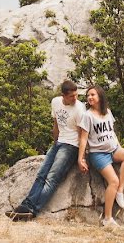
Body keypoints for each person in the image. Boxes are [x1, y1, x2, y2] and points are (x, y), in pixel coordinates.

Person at [6, 80, 86, 221]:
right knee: (41, 174)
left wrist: (81, 157)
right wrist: (54, 144)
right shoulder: (55, 102)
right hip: (59, 142)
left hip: (71, 146)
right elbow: (55, 124)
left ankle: (32, 210)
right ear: (63, 95)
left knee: (52, 178)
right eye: (72, 96)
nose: (75, 98)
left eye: (76, 95)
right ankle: (25, 208)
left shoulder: (80, 108)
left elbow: (82, 135)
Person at [77, 84, 124, 228]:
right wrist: (81, 158)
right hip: (98, 154)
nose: (90, 97)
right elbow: (83, 139)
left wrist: (119, 147)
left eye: (93, 95)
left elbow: (112, 132)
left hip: (113, 149)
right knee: (113, 181)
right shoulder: (87, 115)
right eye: (88, 95)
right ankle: (107, 218)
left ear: (100, 97)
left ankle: (120, 191)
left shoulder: (107, 112)